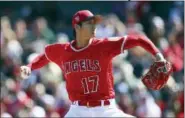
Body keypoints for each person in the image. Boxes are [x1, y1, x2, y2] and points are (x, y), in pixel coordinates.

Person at [20, 10, 166, 117]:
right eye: (89, 24)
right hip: (77, 111)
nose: (94, 27)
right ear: (77, 27)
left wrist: (158, 55)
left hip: (106, 110)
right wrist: (30, 66)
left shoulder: (104, 45)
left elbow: (139, 39)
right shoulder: (63, 50)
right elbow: (44, 56)